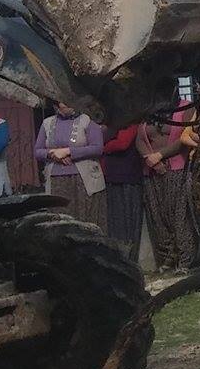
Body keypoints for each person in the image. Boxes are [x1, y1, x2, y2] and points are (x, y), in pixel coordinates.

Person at [139, 98, 200, 271]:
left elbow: (183, 138)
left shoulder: (185, 108)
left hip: (176, 167)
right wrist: (150, 159)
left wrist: (160, 155)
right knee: (159, 215)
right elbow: (140, 139)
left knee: (179, 214)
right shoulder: (150, 108)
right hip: (152, 169)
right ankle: (167, 258)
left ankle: (185, 259)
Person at [37, 102, 106, 230]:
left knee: (85, 225)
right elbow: (38, 150)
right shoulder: (47, 123)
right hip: (57, 182)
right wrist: (53, 154)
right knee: (61, 225)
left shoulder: (87, 119)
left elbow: (97, 148)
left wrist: (68, 151)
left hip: (83, 183)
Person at [103, 121, 148, 261]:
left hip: (129, 175)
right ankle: (119, 258)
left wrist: (104, 146)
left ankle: (130, 259)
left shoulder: (130, 121)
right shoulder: (107, 123)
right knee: (116, 222)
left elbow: (122, 143)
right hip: (111, 176)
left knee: (129, 222)